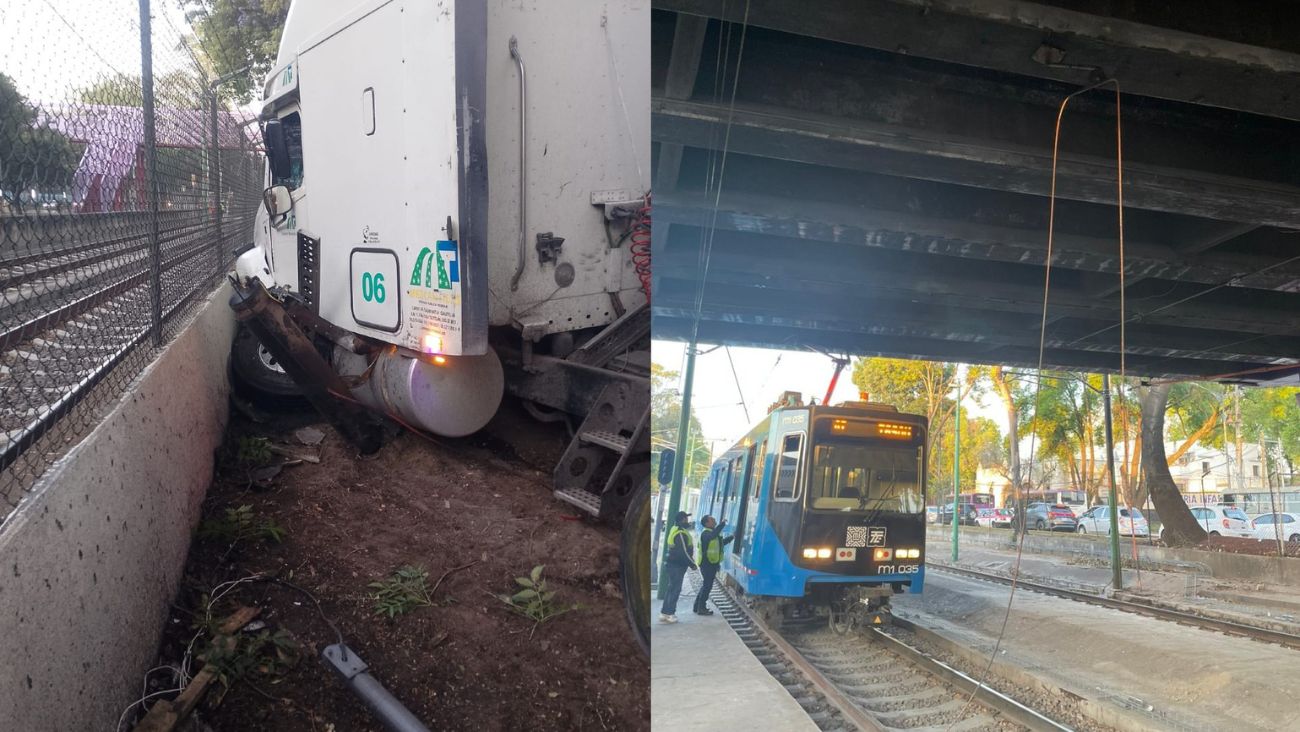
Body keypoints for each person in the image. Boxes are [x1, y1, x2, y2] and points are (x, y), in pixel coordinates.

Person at [659, 511, 696, 623]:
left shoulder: (674, 529)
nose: (687, 521)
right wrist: (692, 564)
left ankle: (664, 613)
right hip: (677, 566)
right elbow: (683, 552)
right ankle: (670, 613)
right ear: (682, 520)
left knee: (671, 588)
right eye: (686, 519)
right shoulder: (680, 533)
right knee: (675, 589)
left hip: (673, 564)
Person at [693, 515, 733, 615]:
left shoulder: (711, 533)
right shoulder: (706, 533)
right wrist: (722, 524)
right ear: (707, 523)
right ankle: (701, 608)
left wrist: (731, 537)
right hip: (707, 564)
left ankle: (697, 606)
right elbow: (713, 536)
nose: (715, 521)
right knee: (707, 586)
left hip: (711, 563)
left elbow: (720, 543)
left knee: (706, 585)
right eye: (712, 520)